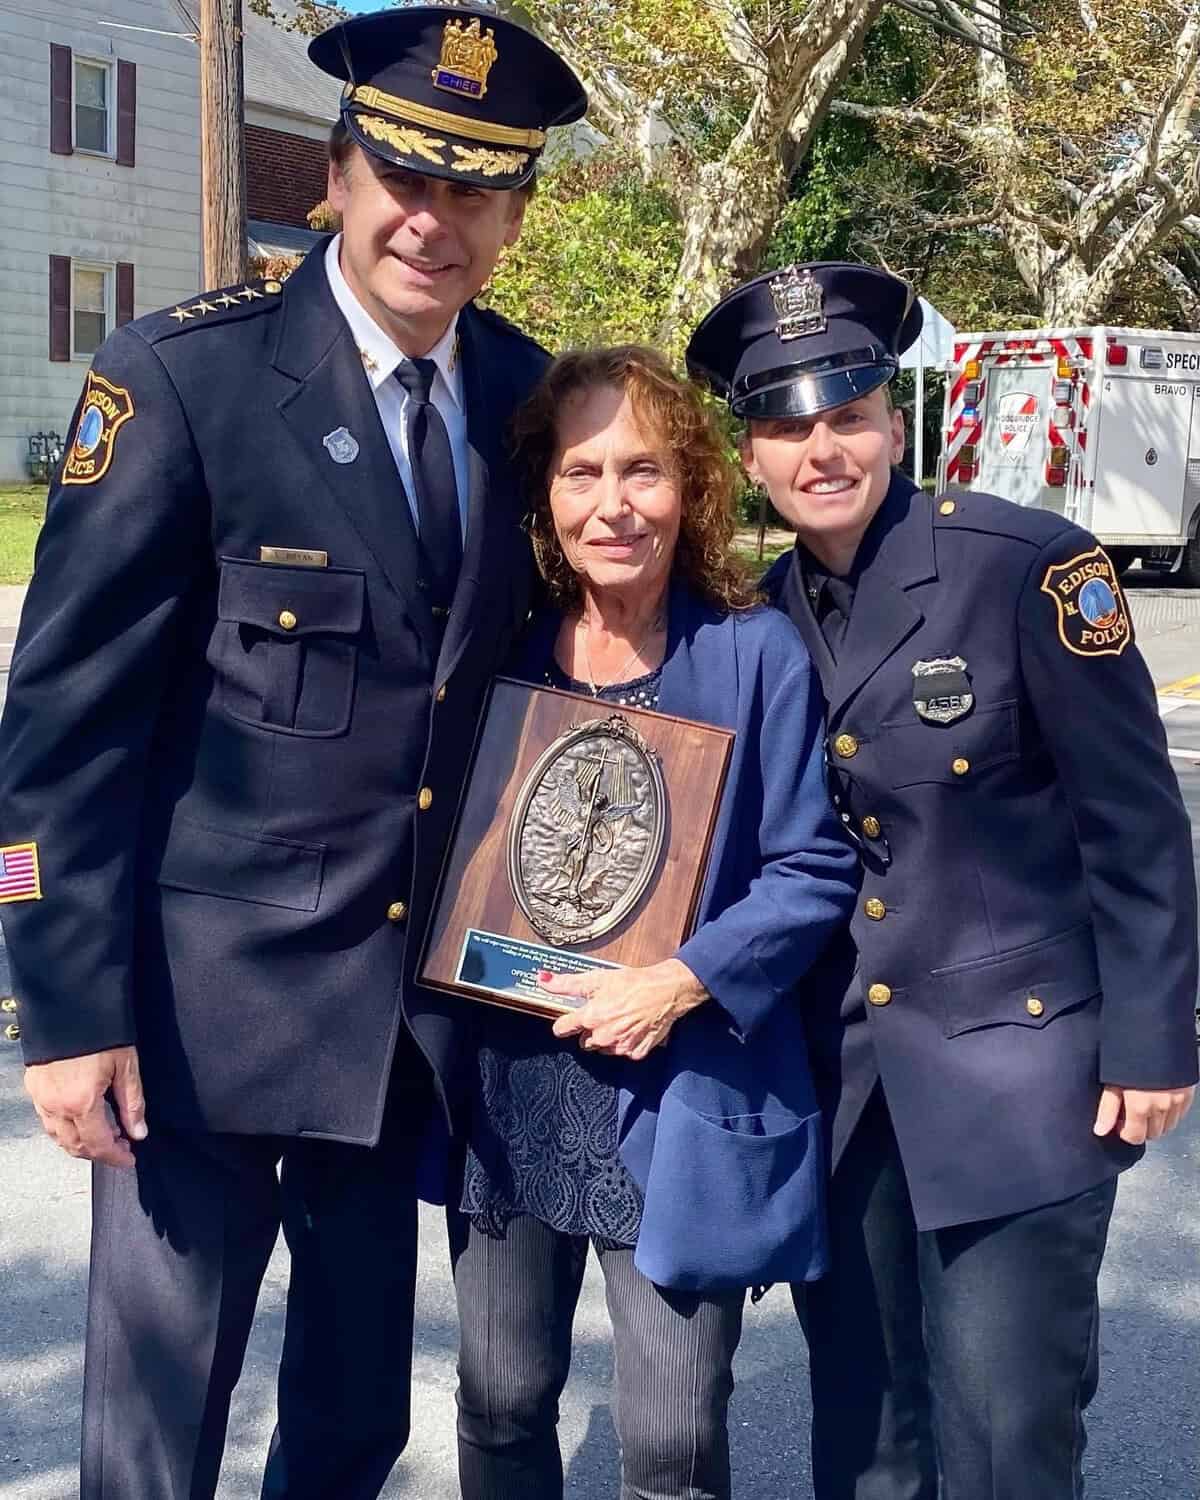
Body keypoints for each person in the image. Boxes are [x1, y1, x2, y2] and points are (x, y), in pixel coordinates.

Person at [0, 9, 585, 1499]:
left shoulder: (529, 403)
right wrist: (57, 1003)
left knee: (350, 1423)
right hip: (196, 1024)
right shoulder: (185, 380)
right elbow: (58, 733)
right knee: (157, 1426)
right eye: (403, 176)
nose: (430, 221)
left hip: (398, 1028)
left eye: (474, 191)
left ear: (514, 217)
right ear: (335, 175)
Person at [686, 262, 1199, 1500]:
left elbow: (1137, 825)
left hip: (1018, 1075)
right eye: (788, 426)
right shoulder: (754, 616)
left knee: (1003, 1434)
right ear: (749, 451)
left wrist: (1155, 1040)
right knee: (865, 1430)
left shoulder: (1029, 567)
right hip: (846, 1087)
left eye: (849, 416)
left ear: (893, 420)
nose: (823, 450)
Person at [451, 346, 859, 1500]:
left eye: (643, 470)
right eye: (582, 473)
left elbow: (813, 868)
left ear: (692, 487)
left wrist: (677, 980)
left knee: (674, 1439)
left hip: (678, 1086)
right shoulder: (504, 652)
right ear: (546, 495)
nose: (613, 504)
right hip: (514, 1082)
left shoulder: (752, 655)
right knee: (500, 1403)